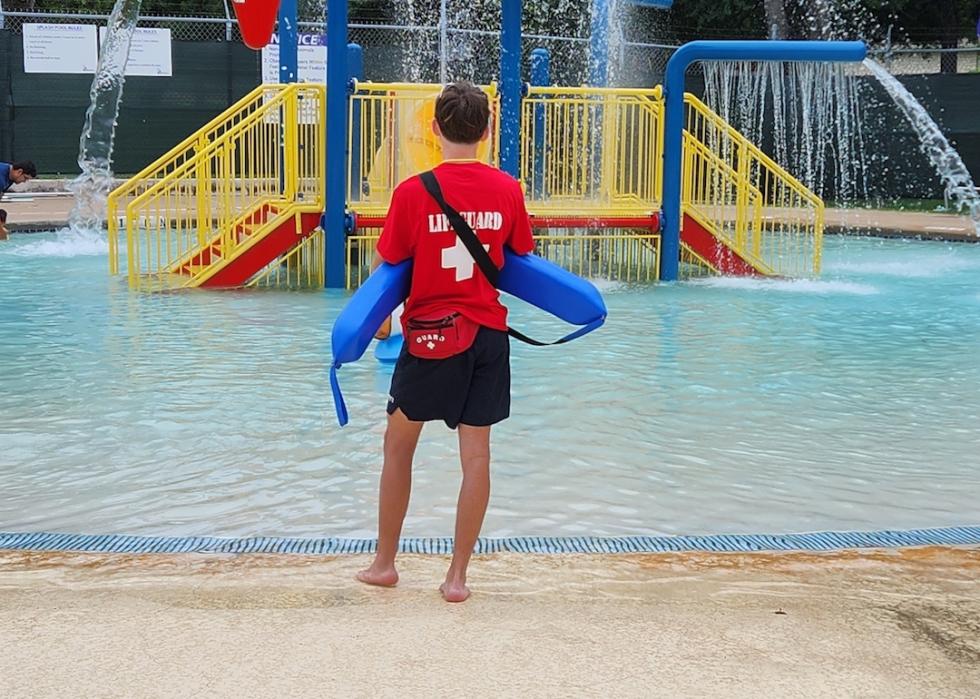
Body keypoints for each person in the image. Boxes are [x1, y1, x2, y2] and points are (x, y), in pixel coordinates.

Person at [356, 81, 535, 603]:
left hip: (430, 339)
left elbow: (387, 265)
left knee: (398, 447)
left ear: (434, 130)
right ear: (487, 131)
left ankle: (385, 564)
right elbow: (518, 252)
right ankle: (457, 578)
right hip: (487, 337)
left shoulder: (412, 193)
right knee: (476, 457)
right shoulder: (508, 189)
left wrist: (375, 325)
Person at [0, 161, 36, 234]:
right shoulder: (1, 177)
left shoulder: (10, 175)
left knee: (2, 214)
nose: (24, 181)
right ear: (19, 172)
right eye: (25, 178)